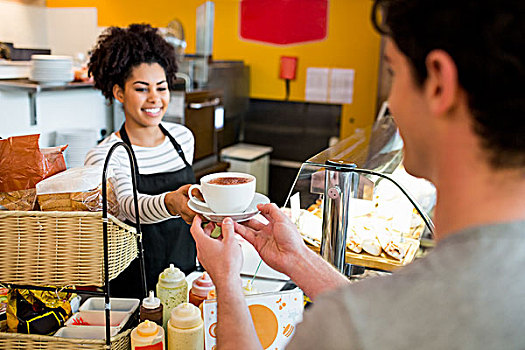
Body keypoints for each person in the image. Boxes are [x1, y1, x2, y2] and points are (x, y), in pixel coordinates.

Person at [189, 0, 525, 348]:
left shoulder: (345, 329)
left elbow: (367, 324)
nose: (391, 103)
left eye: (393, 72)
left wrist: (226, 281)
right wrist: (298, 260)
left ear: (439, 83)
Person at [85, 24, 198, 299]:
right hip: (133, 290)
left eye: (161, 88)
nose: (154, 99)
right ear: (119, 93)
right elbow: (127, 206)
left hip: (187, 277)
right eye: (141, 89)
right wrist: (170, 201)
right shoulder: (106, 154)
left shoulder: (183, 139)